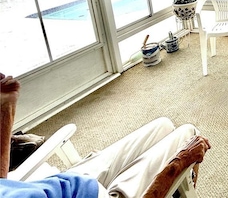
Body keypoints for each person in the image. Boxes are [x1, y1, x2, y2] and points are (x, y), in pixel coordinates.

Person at [0, 73, 210, 198]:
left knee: (163, 125)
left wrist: (6, 108)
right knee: (187, 133)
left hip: (67, 181)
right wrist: (177, 164)